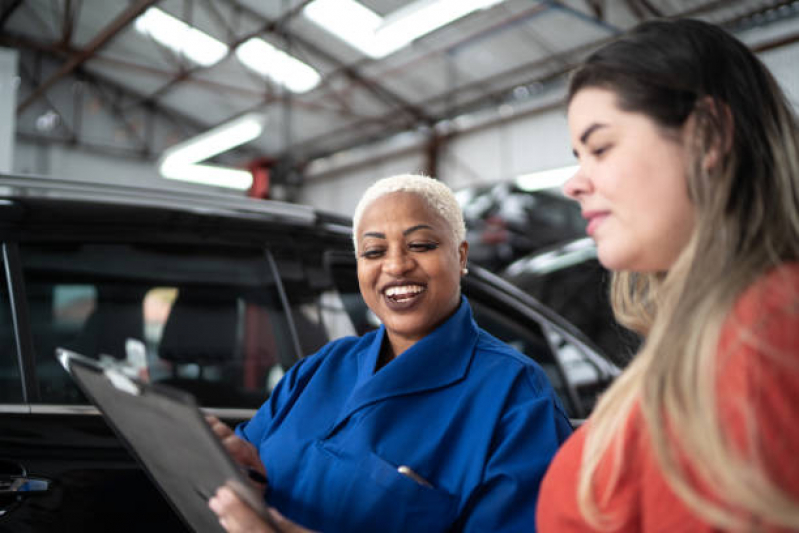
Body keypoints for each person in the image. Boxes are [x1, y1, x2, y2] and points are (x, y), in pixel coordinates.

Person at [537, 18, 799, 532]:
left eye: (601, 148)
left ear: (707, 136)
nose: (573, 183)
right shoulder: (713, 333)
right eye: (577, 156)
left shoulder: (764, 331)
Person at [208, 174, 573, 532]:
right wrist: (239, 468)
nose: (396, 265)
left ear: (461, 256)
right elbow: (251, 463)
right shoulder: (321, 368)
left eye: (420, 245)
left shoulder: (516, 398)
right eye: (374, 251)